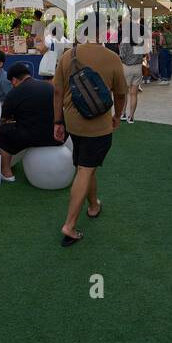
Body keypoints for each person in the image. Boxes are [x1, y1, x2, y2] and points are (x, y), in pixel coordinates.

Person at [53, 28, 128, 246]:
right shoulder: (112, 58)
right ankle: (69, 225)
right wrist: (118, 115)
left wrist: (58, 121)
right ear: (104, 34)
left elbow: (57, 91)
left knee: (85, 165)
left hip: (73, 124)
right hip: (99, 125)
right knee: (86, 169)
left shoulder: (69, 55)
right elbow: (120, 93)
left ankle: (93, 204)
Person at [0, 62, 60, 180]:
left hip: (32, 137)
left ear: (14, 80)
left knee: (1, 131)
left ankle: (6, 172)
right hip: (57, 137)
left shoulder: (14, 93)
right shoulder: (49, 86)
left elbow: (3, 117)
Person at [117, 27, 144, 123]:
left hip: (126, 68)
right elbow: (141, 54)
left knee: (124, 93)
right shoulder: (141, 40)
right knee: (134, 94)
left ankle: (123, 113)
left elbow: (122, 56)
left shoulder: (125, 41)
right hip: (138, 68)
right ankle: (131, 117)